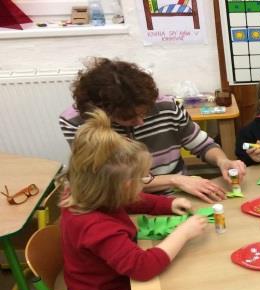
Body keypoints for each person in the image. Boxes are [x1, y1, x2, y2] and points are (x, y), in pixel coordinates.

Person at [60, 109, 225, 290]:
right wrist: (183, 233)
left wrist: (167, 205)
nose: (145, 183)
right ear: (117, 187)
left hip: (116, 280)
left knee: (188, 282)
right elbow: (143, 267)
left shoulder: (88, 196)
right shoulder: (96, 225)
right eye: (140, 179)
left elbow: (133, 201)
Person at [59, 57, 246, 204]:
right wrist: (174, 180)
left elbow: (201, 144)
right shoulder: (77, 123)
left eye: (145, 113)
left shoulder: (166, 105)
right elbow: (107, 181)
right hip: (121, 203)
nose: (140, 122)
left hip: (178, 196)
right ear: (103, 112)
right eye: (128, 118)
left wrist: (222, 160)